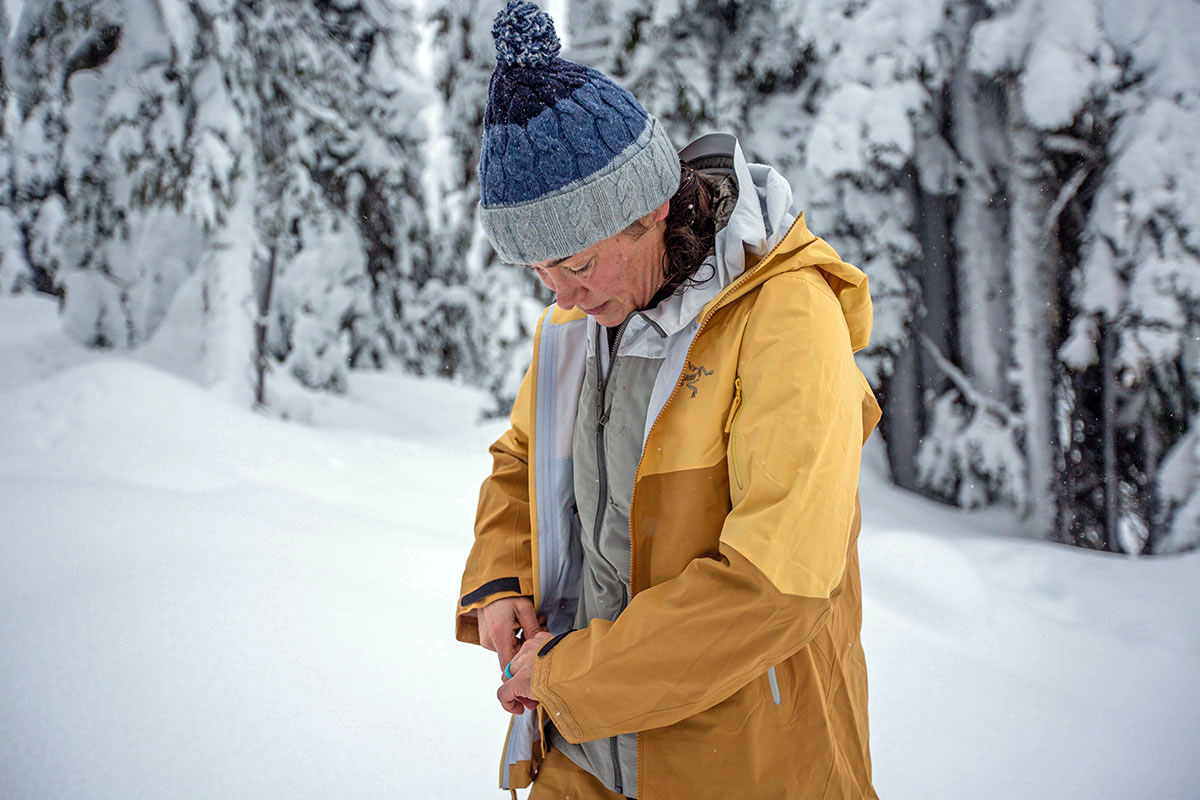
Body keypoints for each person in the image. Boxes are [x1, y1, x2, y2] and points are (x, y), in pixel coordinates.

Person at [455, 2, 882, 797]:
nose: (565, 299)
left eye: (578, 265)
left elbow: (773, 587)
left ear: (651, 210)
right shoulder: (579, 323)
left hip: (744, 764)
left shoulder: (785, 317)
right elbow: (521, 460)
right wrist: (501, 577)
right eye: (542, 275)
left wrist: (575, 677)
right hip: (582, 757)